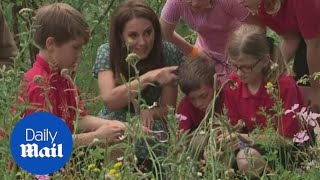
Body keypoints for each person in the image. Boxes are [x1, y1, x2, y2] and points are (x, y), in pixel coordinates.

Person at [19, 3, 126, 147]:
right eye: (75, 47)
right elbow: (42, 146)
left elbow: (78, 119)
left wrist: (116, 125)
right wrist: (96, 137)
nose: (79, 54)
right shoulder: (37, 84)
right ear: (51, 44)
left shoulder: (63, 77)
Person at [92, 0, 184, 162]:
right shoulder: (107, 53)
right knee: (116, 141)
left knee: (159, 141)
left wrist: (151, 112)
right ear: (121, 35)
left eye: (148, 33)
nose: (142, 42)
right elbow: (111, 100)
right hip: (114, 120)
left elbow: (169, 108)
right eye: (133, 35)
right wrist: (148, 77)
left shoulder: (168, 52)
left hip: (148, 122)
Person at [222, 24, 312, 177]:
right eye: (234, 65)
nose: (239, 73)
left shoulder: (283, 86)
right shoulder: (233, 84)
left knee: (246, 160)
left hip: (290, 149)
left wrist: (246, 139)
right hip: (251, 143)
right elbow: (235, 126)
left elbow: (288, 139)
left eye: (245, 67)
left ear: (264, 61)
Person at [237, 0, 320, 120]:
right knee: (303, 96)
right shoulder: (263, 8)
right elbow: (291, 39)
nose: (239, 1)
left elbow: (315, 45)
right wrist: (271, 70)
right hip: (309, 41)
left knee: (314, 97)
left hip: (315, 41)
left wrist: (317, 90)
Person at [160, 0, 261, 74]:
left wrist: (244, 52)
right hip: (205, 53)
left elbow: (258, 27)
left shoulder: (227, 2)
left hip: (239, 50)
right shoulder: (175, 3)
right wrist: (193, 52)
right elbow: (164, 33)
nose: (194, 3)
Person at [177, 55, 222, 133]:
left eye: (203, 96)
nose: (198, 104)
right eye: (192, 99)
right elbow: (180, 137)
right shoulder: (185, 107)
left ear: (217, 84)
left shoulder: (228, 99)